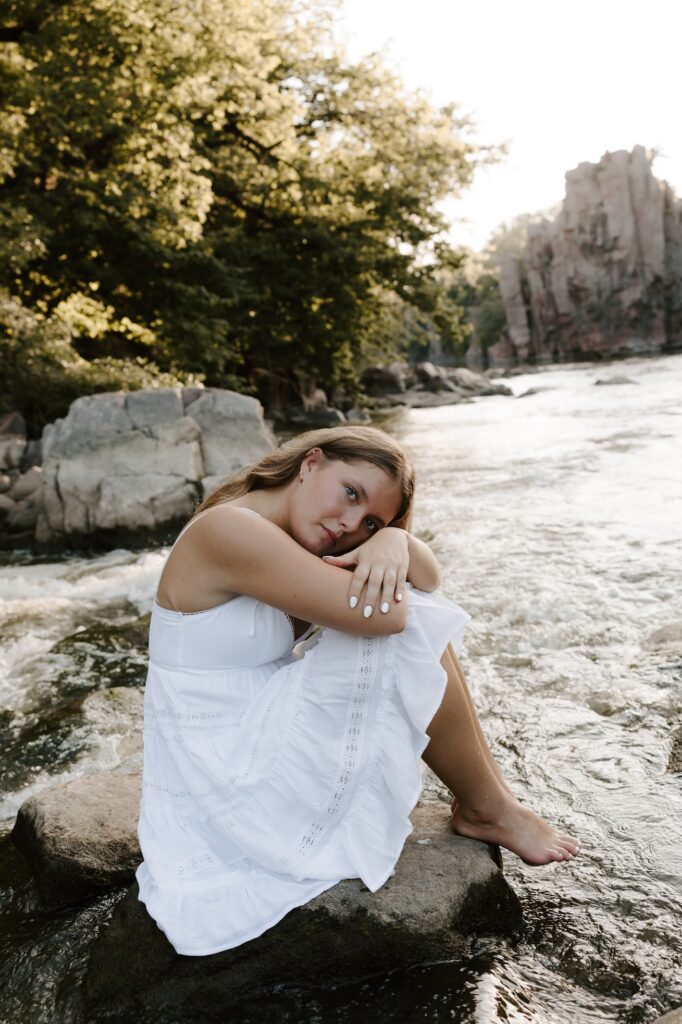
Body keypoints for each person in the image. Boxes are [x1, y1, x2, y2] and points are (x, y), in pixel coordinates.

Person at [135, 425, 580, 956]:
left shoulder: (283, 531)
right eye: (351, 493)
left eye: (370, 520)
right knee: (411, 625)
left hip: (244, 731)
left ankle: (490, 801)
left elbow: (427, 578)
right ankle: (488, 807)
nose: (350, 524)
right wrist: (389, 543)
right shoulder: (230, 530)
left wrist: (397, 540)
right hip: (222, 766)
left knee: (416, 615)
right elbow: (389, 615)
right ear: (311, 463)